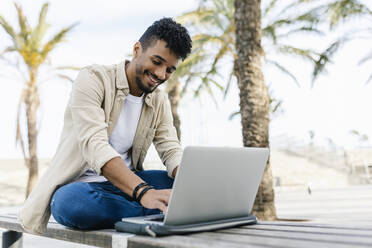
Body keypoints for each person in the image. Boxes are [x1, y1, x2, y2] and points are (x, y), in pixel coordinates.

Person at [18, 17, 192, 234]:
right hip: (83, 187)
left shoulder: (158, 101)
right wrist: (144, 193)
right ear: (137, 49)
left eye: (169, 70)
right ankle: (160, 211)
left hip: (127, 187)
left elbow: (171, 149)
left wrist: (188, 177)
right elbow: (96, 146)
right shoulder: (93, 79)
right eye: (157, 62)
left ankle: (157, 209)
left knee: (185, 187)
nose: (160, 74)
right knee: (69, 203)